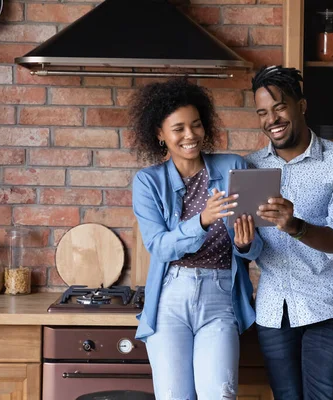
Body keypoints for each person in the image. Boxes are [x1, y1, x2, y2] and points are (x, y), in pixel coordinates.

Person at [130, 77, 262, 400]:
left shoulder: (234, 167)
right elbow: (159, 246)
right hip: (170, 298)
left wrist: (246, 244)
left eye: (196, 125)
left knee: (220, 393)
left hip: (221, 297)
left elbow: (257, 246)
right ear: (160, 134)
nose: (190, 136)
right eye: (178, 129)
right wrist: (202, 221)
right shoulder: (148, 182)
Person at [245, 65, 333, 399]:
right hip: (273, 310)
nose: (272, 119)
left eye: (280, 107)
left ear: (301, 105)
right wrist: (242, 242)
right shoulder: (249, 167)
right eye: (262, 112)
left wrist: (294, 225)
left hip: (326, 307)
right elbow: (248, 246)